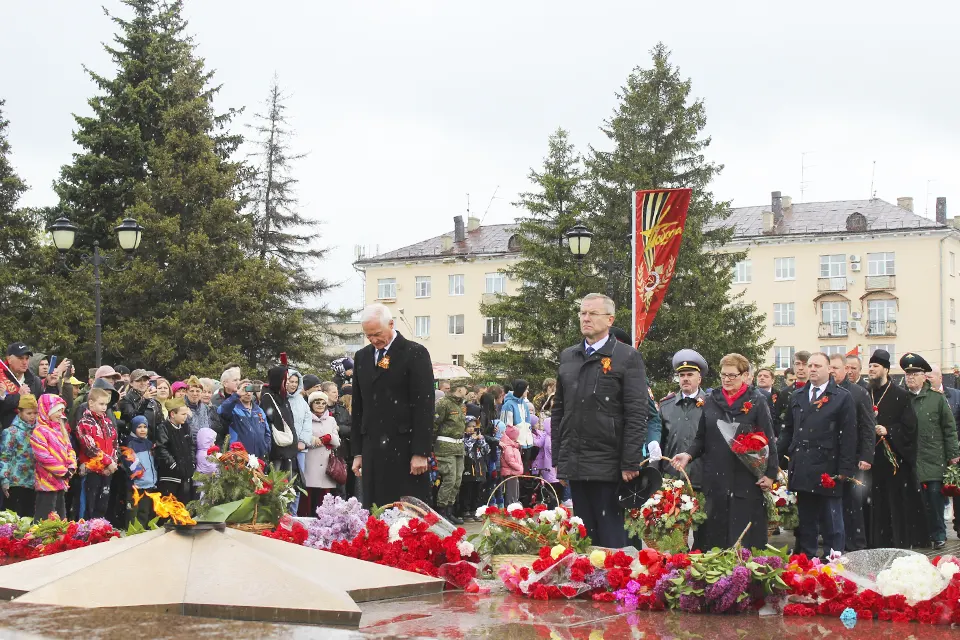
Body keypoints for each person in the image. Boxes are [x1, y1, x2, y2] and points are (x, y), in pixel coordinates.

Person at [552, 293, 648, 548]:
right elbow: (559, 411)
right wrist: (561, 460)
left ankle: (619, 587)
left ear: (609, 319)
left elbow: (636, 413)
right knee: (585, 539)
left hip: (611, 464)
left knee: (613, 540)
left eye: (593, 313)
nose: (586, 318)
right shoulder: (568, 357)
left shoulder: (627, 357)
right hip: (577, 463)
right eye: (583, 313)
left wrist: (630, 461)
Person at [672, 353, 777, 551]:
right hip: (715, 478)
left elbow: (769, 439)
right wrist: (689, 454)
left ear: (745, 376)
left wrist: (770, 474)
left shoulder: (757, 400)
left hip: (745, 479)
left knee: (744, 538)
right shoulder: (712, 400)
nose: (727, 380)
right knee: (714, 536)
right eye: (723, 375)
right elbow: (701, 437)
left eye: (732, 375)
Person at [351, 304, 435, 509]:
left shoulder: (414, 353)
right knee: (376, 511)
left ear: (391, 324)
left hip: (404, 449)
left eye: (377, 334)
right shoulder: (362, 357)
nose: (373, 340)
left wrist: (421, 452)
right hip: (372, 449)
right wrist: (357, 452)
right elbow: (358, 406)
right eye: (368, 335)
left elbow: (424, 405)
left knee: (407, 513)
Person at [778, 352, 857, 558]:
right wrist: (774, 460)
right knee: (806, 522)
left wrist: (845, 469)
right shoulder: (798, 396)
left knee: (832, 522)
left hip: (828, 468)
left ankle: (834, 561)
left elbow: (849, 436)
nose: (812, 369)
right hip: (803, 466)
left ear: (829, 369)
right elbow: (788, 431)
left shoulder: (841, 397)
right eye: (809, 365)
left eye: (817, 365)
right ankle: (808, 562)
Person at [867, 349, 928, 548]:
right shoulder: (864, 394)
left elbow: (910, 427)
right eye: (869, 366)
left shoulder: (900, 396)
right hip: (870, 461)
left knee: (894, 504)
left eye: (875, 366)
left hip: (893, 462)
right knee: (872, 504)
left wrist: (889, 431)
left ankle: (897, 541)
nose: (871, 370)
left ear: (885, 368)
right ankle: (874, 541)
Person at [900, 353, 960, 550]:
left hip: (934, 457)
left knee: (935, 499)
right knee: (914, 500)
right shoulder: (902, 399)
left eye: (915, 374)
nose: (910, 377)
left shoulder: (937, 399)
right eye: (908, 374)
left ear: (924, 376)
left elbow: (949, 428)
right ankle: (919, 535)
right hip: (910, 459)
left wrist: (953, 454)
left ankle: (938, 534)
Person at [828, 353, 876, 551]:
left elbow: (867, 426)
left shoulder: (858, 392)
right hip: (830, 456)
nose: (832, 372)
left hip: (854, 457)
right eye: (829, 368)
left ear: (846, 369)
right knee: (833, 503)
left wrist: (866, 455)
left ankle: (857, 545)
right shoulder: (825, 392)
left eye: (836, 368)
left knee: (853, 504)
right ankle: (837, 544)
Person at [659, 350, 709, 496]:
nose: (685, 379)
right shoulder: (666, 406)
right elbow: (660, 441)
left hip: (702, 477)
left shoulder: (711, 404)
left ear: (699, 379)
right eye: (682, 375)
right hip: (672, 478)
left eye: (690, 375)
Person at [30, 394, 76, 520]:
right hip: (47, 483)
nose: (60, 414)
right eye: (56, 410)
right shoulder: (39, 431)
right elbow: (43, 456)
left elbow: (70, 449)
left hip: (60, 482)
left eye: (61, 410)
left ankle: (60, 539)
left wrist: (71, 467)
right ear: (46, 410)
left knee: (60, 516)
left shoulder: (60, 430)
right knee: (45, 517)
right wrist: (62, 471)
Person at [76, 387, 119, 519]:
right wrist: (108, 462)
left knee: (102, 506)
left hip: (107, 471)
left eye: (106, 404)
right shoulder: (84, 423)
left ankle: (99, 533)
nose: (104, 407)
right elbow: (90, 448)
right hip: (91, 471)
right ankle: (85, 535)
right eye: (101, 404)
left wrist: (113, 462)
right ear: (91, 403)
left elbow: (114, 445)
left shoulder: (109, 422)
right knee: (89, 506)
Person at [927, 364, 960, 536]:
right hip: (933, 453)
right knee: (935, 491)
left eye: (930, 377)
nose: (927, 380)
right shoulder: (923, 398)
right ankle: (938, 530)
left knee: (956, 490)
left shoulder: (955, 396)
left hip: (955, 451)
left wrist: (955, 447)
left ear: (940, 378)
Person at [261, 366, 301, 499]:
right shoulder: (268, 396)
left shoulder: (283, 397)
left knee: (287, 487)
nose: (288, 383)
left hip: (288, 449)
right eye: (285, 380)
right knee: (275, 485)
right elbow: (271, 419)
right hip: (277, 448)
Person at [434, 383, 468, 524]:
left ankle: (450, 509)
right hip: (445, 446)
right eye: (465, 388)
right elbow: (435, 424)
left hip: (458, 446)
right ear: (459, 389)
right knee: (449, 479)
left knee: (457, 479)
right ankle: (442, 511)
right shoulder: (443, 404)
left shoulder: (460, 405)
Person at [303, 391, 341, 514]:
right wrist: (315, 441)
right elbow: (303, 439)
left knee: (324, 499)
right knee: (308, 497)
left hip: (326, 464)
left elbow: (337, 441)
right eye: (317, 402)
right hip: (310, 462)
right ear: (311, 404)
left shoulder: (331, 420)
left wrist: (328, 438)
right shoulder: (306, 419)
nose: (320, 405)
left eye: (323, 403)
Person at [1, 394, 38, 517]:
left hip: (34, 482)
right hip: (15, 482)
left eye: (35, 413)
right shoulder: (11, 432)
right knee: (14, 521)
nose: (32, 416)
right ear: (19, 412)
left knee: (30, 521)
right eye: (28, 413)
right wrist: (4, 480)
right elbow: (4, 457)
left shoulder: (39, 431)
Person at [155, 397, 195, 504]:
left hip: (185, 475)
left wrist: (192, 463)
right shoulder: (163, 428)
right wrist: (173, 465)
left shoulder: (186, 427)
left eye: (186, 414)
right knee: (169, 507)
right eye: (183, 414)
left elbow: (191, 445)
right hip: (169, 477)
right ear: (172, 414)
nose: (186, 417)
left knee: (183, 506)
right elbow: (161, 448)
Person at [217, 379, 271, 459]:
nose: (248, 393)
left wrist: (266, 448)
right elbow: (221, 411)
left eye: (250, 389)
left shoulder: (259, 410)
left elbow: (267, 433)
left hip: (259, 458)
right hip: (239, 458)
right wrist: (237, 395)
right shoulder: (233, 409)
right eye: (245, 389)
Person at [284, 369, 312, 514]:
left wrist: (303, 441)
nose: (293, 385)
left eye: (296, 382)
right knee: (283, 482)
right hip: (283, 447)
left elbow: (307, 423)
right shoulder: (280, 399)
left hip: (299, 449)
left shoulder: (302, 402)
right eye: (290, 381)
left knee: (297, 483)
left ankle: (293, 513)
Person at [0, 342, 43, 429]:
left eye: (27, 358)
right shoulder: (1, 379)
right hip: (7, 436)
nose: (24, 362)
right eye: (20, 358)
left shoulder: (35, 381)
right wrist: (18, 396)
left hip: (32, 434)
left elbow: (43, 408)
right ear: (9, 359)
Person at [125, 415, 158, 527]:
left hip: (148, 484)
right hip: (137, 485)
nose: (143, 430)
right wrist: (139, 475)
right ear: (134, 428)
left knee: (145, 512)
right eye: (139, 427)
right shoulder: (130, 444)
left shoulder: (148, 443)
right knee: (133, 513)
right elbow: (129, 463)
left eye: (145, 427)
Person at [118, 369, 163, 440]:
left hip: (152, 442)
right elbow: (132, 418)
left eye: (145, 380)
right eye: (138, 380)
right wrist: (144, 400)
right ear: (131, 383)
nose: (142, 383)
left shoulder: (153, 400)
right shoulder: (126, 399)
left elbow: (160, 423)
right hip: (134, 443)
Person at [461, 417, 490, 519]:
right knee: (467, 490)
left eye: (474, 426)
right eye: (468, 426)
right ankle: (465, 510)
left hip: (479, 467)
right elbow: (466, 449)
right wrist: (472, 439)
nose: (471, 429)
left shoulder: (479, 437)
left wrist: (481, 440)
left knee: (477, 490)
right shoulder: (463, 438)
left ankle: (475, 510)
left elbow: (487, 450)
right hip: (468, 467)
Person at [773, 352, 810, 428]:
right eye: (797, 364)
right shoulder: (784, 393)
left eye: (804, 364)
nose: (800, 368)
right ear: (793, 366)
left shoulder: (818, 390)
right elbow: (778, 418)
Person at [531, 415, 560, 508]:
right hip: (552, 466)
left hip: (548, 466)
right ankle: (553, 505)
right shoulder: (550, 438)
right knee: (553, 487)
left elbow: (538, 443)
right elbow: (552, 451)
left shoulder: (546, 435)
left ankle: (552, 504)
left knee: (550, 486)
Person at [184, 375, 221, 447]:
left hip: (205, 448)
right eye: (192, 391)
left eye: (197, 391)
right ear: (186, 392)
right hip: (188, 447)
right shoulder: (181, 408)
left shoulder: (206, 408)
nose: (195, 394)